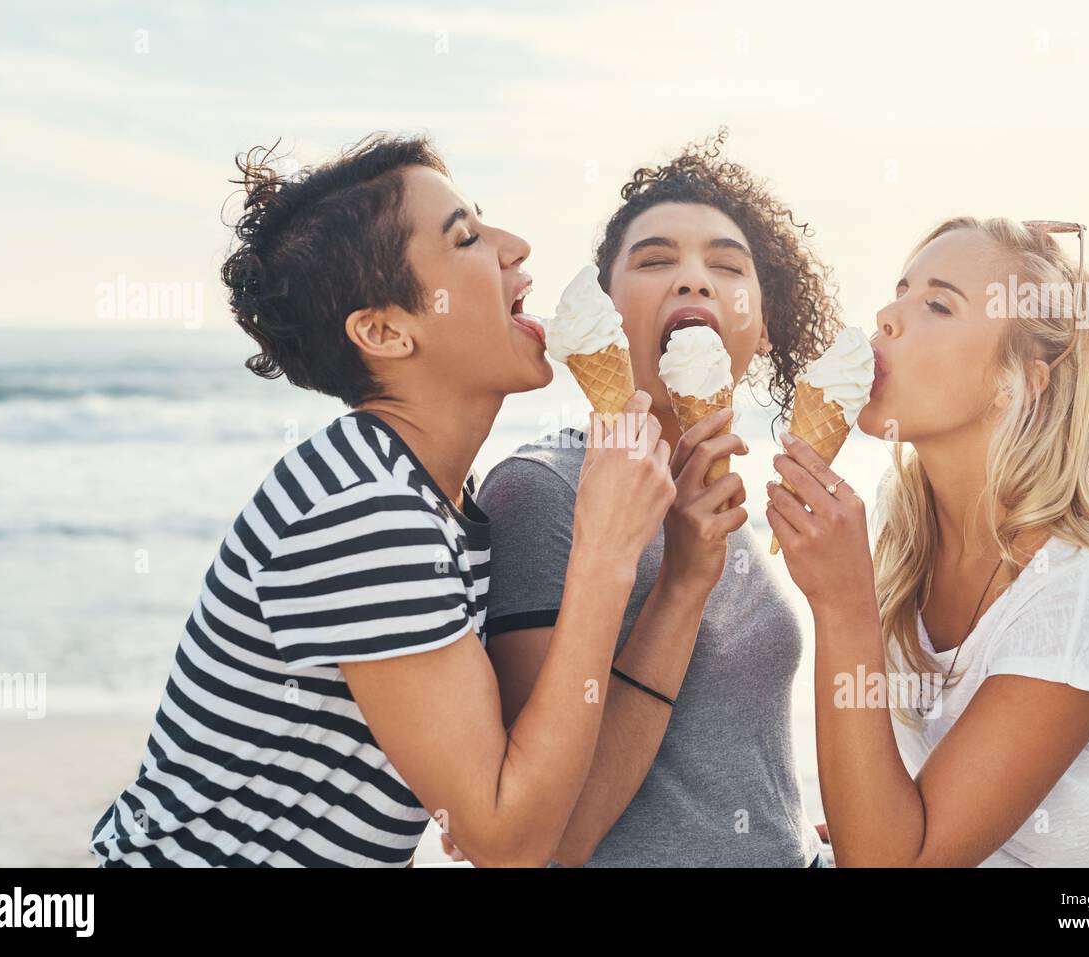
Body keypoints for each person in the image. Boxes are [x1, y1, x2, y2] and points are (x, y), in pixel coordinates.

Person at [89, 133, 675, 867]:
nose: (515, 246)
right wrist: (604, 550)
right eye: (466, 238)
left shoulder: (424, 499)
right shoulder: (365, 508)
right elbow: (509, 840)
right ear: (385, 330)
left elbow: (500, 798)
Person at [769, 216, 1089, 866]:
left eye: (937, 304)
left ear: (1018, 382)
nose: (886, 315)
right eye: (900, 291)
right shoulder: (903, 516)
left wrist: (840, 603)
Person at [472, 131, 841, 866]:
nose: (695, 279)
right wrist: (679, 586)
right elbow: (550, 838)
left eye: (726, 266)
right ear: (604, 313)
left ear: (764, 328)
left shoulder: (729, 494)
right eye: (656, 260)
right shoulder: (543, 491)